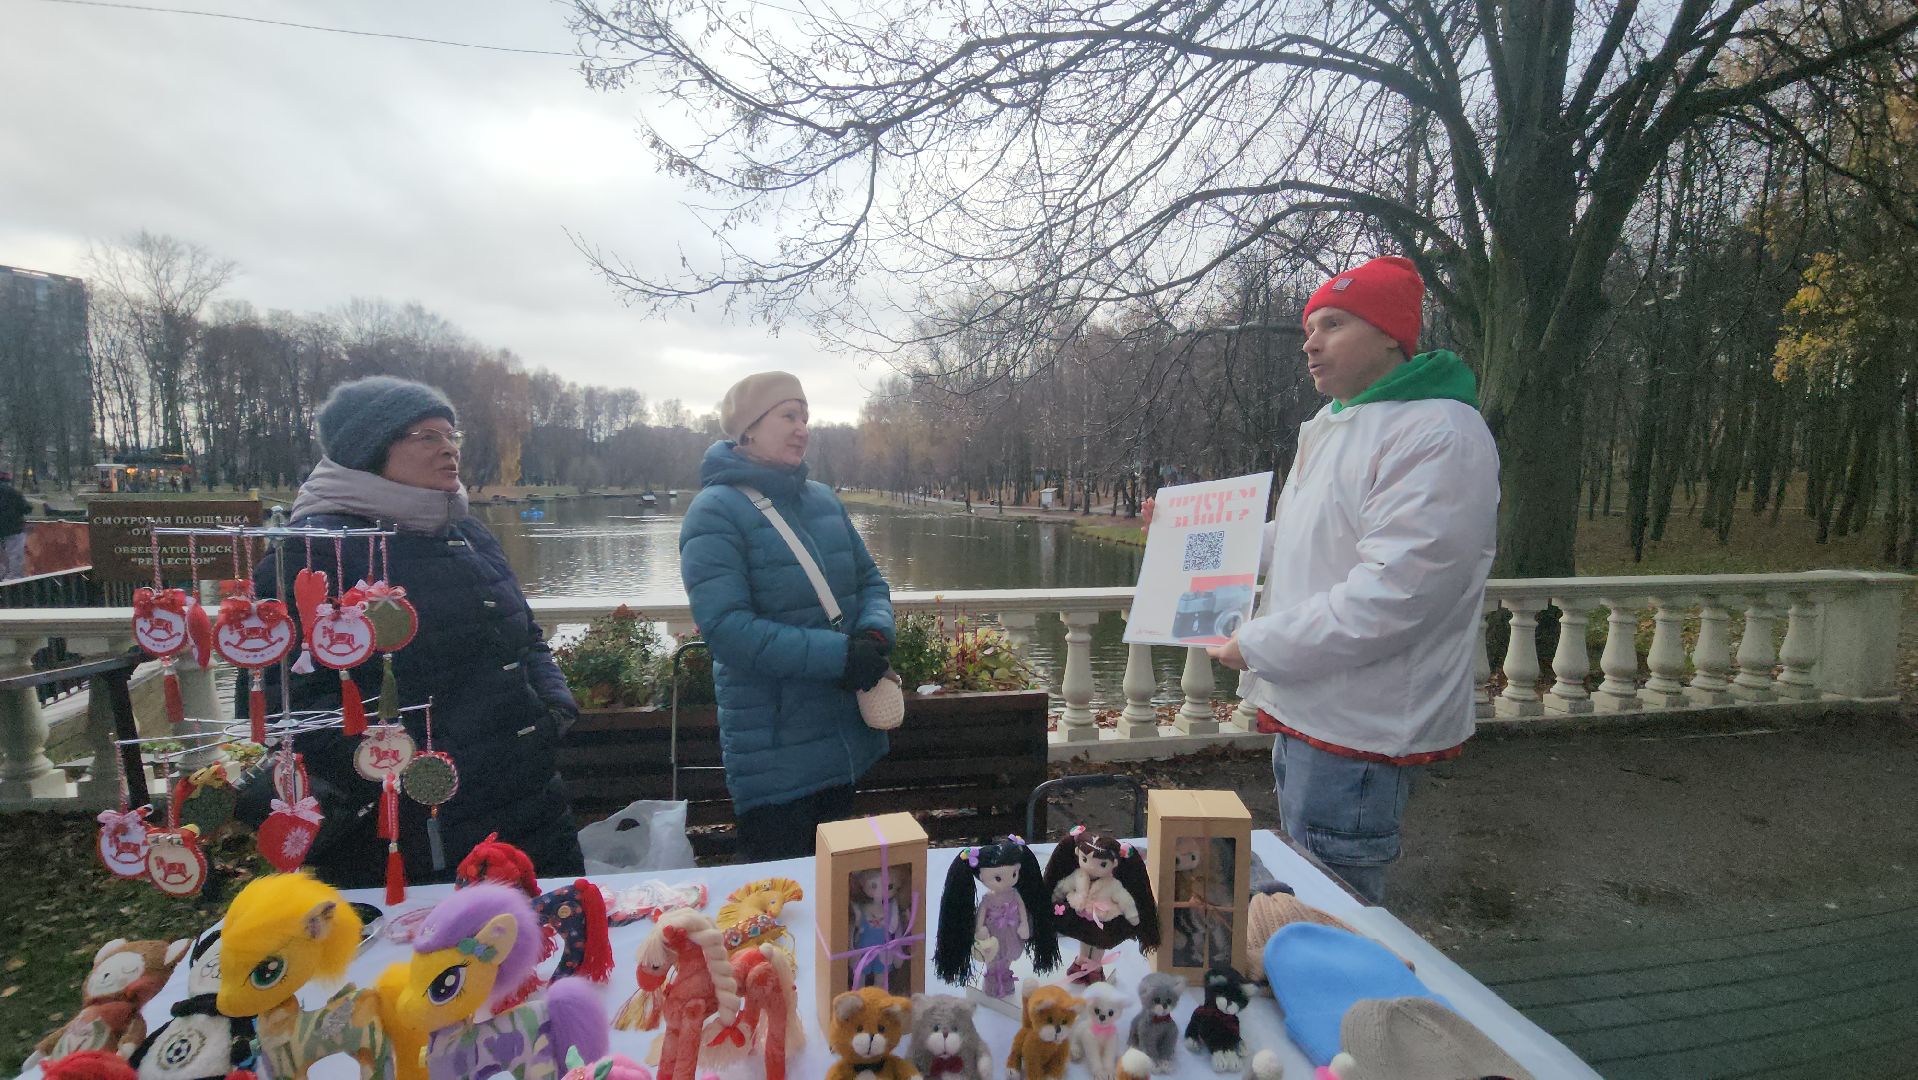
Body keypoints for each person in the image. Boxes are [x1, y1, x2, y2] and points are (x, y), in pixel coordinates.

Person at [1148, 256, 1498, 904]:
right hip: (1315, 710)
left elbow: (1399, 594)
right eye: (1310, 327)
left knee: (1334, 904)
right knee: (1305, 882)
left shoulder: (1438, 434)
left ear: (1391, 335)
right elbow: (1301, 540)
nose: (1310, 341)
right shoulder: (1345, 423)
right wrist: (1189, 537)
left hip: (1361, 728)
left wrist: (1258, 643)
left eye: (1332, 324)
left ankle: (1344, 1002)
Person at [240, 376, 584, 887]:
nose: (449, 449)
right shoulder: (314, 555)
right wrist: (410, 769)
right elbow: (292, 706)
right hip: (420, 827)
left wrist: (552, 706)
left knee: (554, 945)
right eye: (426, 436)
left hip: (530, 799)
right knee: (446, 963)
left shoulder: (468, 535)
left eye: (452, 435)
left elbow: (524, 634)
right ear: (370, 450)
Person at [678, 371, 896, 861]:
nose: (803, 428)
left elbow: (871, 583)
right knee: (780, 904)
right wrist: (840, 657)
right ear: (748, 429)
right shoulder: (714, 512)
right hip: (775, 755)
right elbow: (728, 630)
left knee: (839, 899)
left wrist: (876, 634)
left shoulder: (822, 499)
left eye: (806, 417)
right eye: (788, 416)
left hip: (845, 743)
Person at [0, 470, 29, 580]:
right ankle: (14, 580)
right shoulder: (14, 492)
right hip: (13, 529)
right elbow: (26, 508)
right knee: (14, 556)